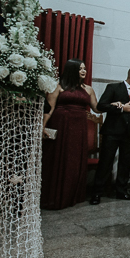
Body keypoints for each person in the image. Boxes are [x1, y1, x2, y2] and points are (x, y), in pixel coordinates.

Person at [42, 60, 99, 210]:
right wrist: (43, 126)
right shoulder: (59, 86)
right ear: (71, 70)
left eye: (84, 69)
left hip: (79, 126)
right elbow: (50, 108)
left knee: (75, 159)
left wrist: (115, 105)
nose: (83, 71)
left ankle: (72, 195)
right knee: (59, 158)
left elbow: (97, 108)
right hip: (61, 124)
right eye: (80, 69)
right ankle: (55, 196)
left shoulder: (88, 89)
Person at [90, 66, 130, 204]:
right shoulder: (113, 87)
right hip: (112, 132)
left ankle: (121, 190)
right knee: (106, 162)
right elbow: (101, 106)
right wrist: (121, 108)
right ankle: (97, 193)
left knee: (125, 164)